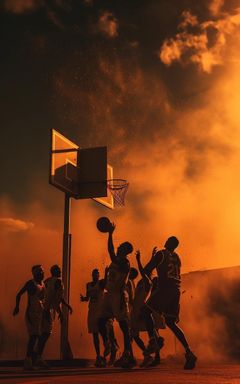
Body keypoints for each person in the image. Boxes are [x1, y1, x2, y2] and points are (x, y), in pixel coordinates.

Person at [142, 236, 197, 369]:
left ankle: (153, 341)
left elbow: (146, 269)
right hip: (176, 290)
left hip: (165, 288)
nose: (165, 241)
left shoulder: (161, 254)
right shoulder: (177, 258)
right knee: (170, 322)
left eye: (167, 240)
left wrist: (152, 259)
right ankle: (189, 352)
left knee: (145, 311)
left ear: (168, 243)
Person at [98, 222, 135, 368]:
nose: (118, 247)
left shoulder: (124, 262)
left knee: (124, 326)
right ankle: (109, 344)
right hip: (109, 294)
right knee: (101, 321)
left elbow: (111, 252)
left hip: (119, 295)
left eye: (121, 247)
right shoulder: (117, 261)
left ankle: (127, 354)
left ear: (125, 250)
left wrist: (110, 234)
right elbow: (111, 252)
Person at [131, 250, 164, 367]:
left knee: (152, 333)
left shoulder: (147, 282)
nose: (143, 271)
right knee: (136, 335)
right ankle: (150, 355)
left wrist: (138, 260)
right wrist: (152, 257)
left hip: (143, 310)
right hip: (137, 310)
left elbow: (144, 270)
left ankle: (152, 356)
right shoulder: (140, 282)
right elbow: (147, 268)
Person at [80, 268, 118, 367]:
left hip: (101, 310)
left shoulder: (101, 283)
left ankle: (109, 350)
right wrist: (83, 298)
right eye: (94, 274)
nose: (96, 275)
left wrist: (106, 273)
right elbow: (87, 297)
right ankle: (98, 356)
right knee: (94, 333)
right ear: (92, 275)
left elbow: (105, 282)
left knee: (105, 331)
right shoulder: (88, 285)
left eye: (97, 274)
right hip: (92, 310)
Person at [36, 264, 72, 367]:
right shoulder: (58, 282)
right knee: (45, 334)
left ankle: (36, 355)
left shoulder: (47, 281)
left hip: (41, 308)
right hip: (48, 310)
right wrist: (60, 311)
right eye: (59, 270)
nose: (61, 272)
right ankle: (38, 357)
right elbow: (56, 298)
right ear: (55, 272)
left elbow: (53, 296)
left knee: (42, 333)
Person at [13, 265, 45, 370]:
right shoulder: (31, 283)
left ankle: (34, 358)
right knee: (33, 337)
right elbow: (19, 294)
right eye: (40, 271)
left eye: (43, 271)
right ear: (35, 273)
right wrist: (17, 307)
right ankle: (28, 360)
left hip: (40, 314)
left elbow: (42, 299)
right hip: (31, 314)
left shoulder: (42, 284)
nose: (42, 273)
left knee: (40, 337)